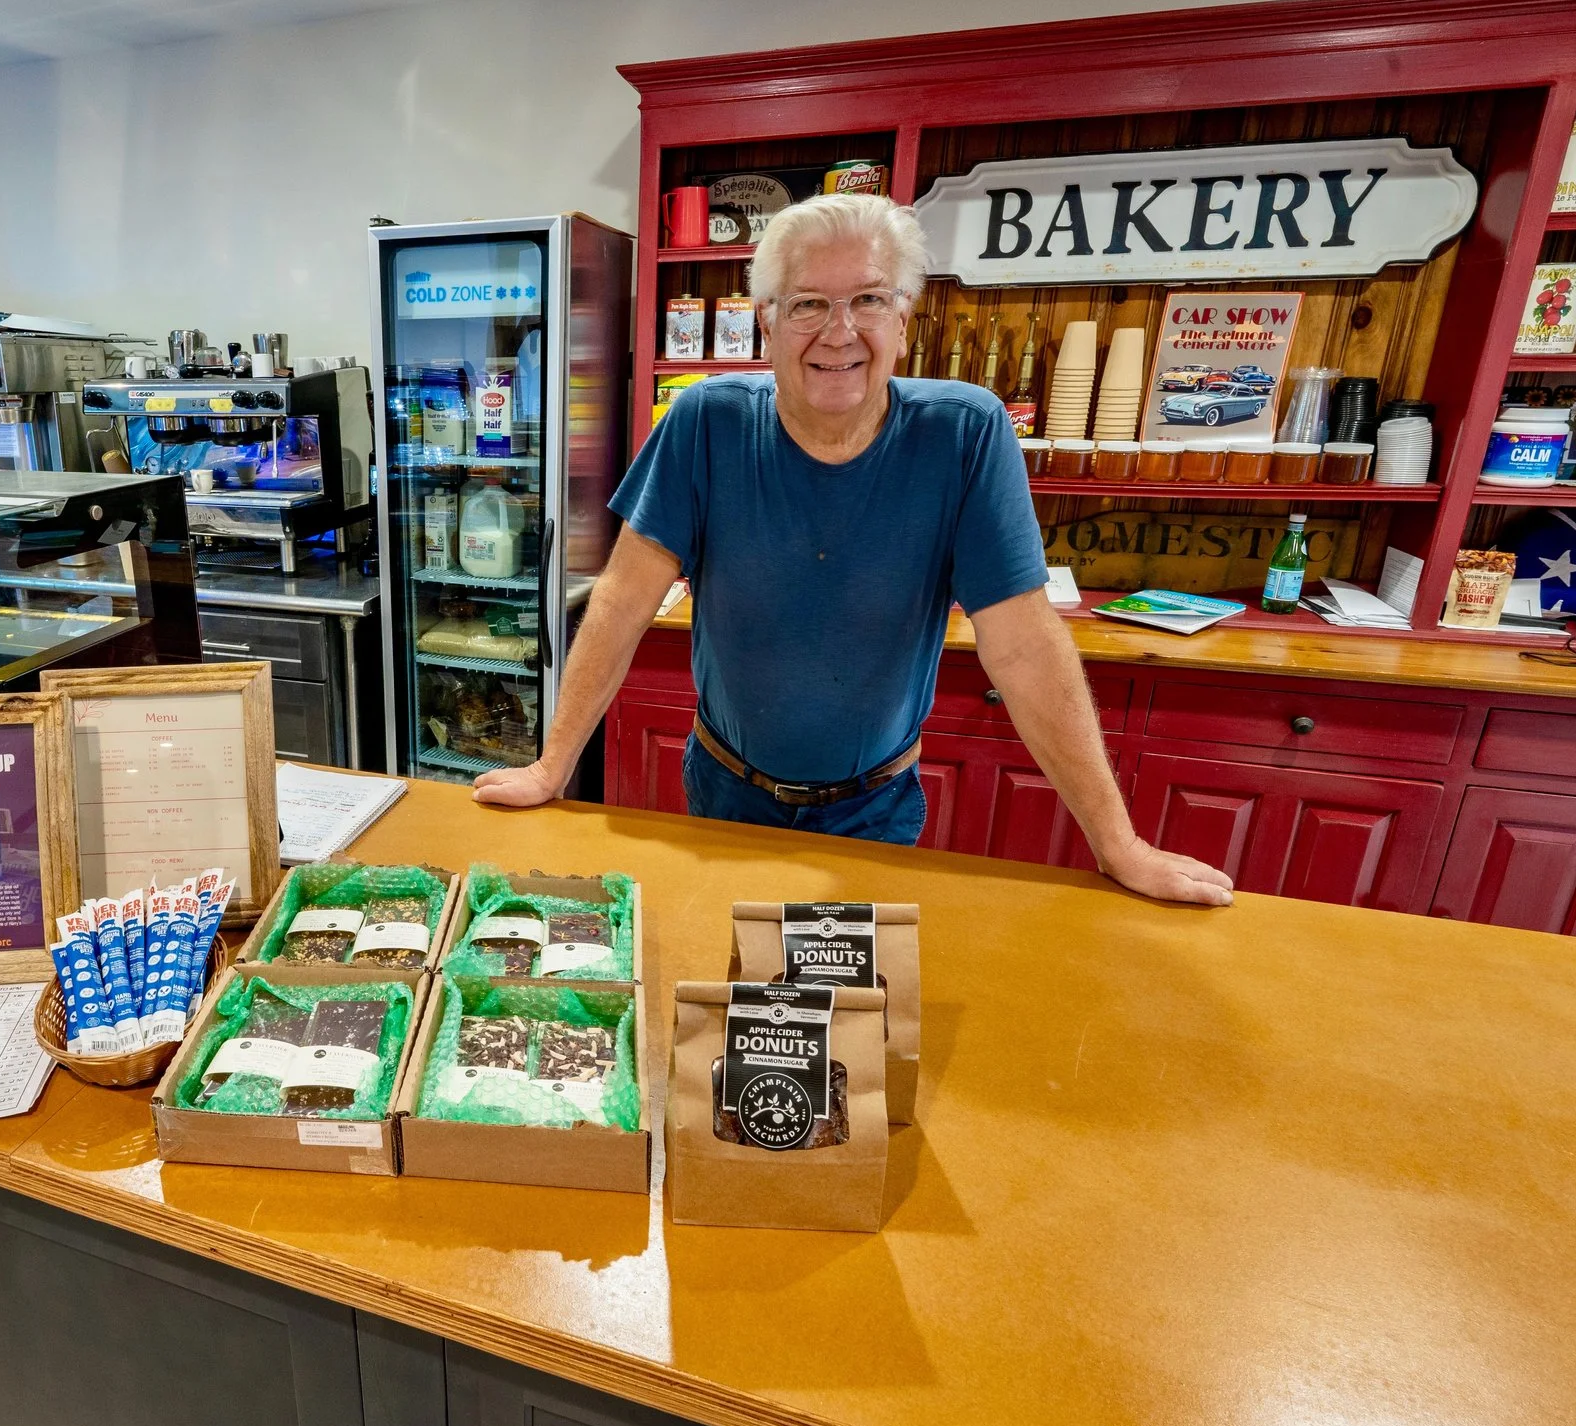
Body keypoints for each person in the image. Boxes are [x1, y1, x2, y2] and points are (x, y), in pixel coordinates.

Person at [473, 193, 1233, 907]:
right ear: (767, 322)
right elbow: (620, 602)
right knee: (729, 1009)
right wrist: (553, 765)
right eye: (808, 303)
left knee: (850, 1035)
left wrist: (1117, 842)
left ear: (904, 316)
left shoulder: (966, 433)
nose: (840, 331)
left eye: (868, 299)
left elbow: (1027, 644)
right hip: (724, 797)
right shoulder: (705, 422)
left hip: (873, 810)